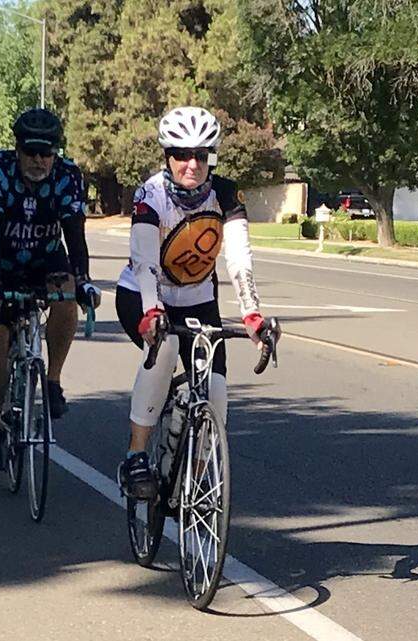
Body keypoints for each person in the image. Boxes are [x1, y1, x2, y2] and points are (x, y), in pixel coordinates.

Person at [115, 106, 278, 499]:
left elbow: (238, 257)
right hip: (142, 293)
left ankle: (197, 479)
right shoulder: (150, 194)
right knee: (166, 346)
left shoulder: (224, 193)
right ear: (167, 157)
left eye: (201, 155)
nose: (192, 164)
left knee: (216, 390)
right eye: (182, 155)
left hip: (198, 298)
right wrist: (152, 311)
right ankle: (136, 455)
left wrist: (252, 314)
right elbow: (144, 260)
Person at [0, 107, 101, 471]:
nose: (39, 160)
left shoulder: (69, 175)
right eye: (31, 151)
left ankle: (52, 380)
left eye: (47, 152)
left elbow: (75, 233)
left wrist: (84, 278)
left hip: (44, 258)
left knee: (67, 292)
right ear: (17, 148)